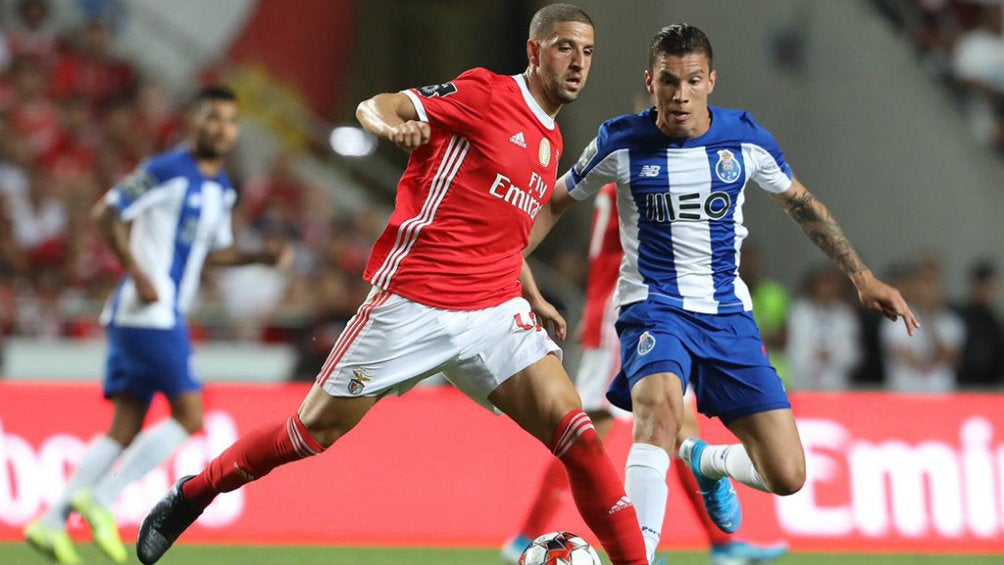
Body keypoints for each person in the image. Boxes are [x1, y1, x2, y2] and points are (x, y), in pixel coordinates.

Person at [136, 5, 649, 565]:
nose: (578, 63)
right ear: (534, 50)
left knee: (580, 437)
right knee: (311, 433)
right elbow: (376, 105)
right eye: (564, 48)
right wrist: (392, 126)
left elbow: (499, 230)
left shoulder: (550, 138)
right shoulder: (484, 93)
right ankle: (196, 492)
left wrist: (531, 292)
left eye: (588, 52)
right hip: (415, 302)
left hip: (495, 311)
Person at [525, 23, 919, 564]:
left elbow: (803, 205)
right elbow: (552, 203)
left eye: (692, 81)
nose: (680, 95)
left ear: (711, 80)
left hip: (728, 317)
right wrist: (504, 263)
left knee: (787, 474)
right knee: (656, 413)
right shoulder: (620, 140)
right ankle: (639, 557)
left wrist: (862, 277)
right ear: (651, 81)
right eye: (668, 81)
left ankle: (705, 462)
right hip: (653, 309)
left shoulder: (746, 140)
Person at [23, 85, 291, 565]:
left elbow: (215, 250)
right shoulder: (166, 170)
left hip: (156, 313)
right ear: (194, 122)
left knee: (123, 428)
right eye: (211, 117)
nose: (220, 127)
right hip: (147, 310)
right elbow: (107, 212)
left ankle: (49, 523)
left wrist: (258, 256)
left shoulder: (221, 187)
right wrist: (140, 273)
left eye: (229, 120)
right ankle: (104, 498)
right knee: (191, 415)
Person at [502, 183, 788, 565]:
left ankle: (719, 542)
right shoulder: (640, 177)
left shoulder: (626, 175)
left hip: (652, 320)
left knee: (678, 431)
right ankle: (526, 537)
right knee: (586, 435)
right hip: (621, 320)